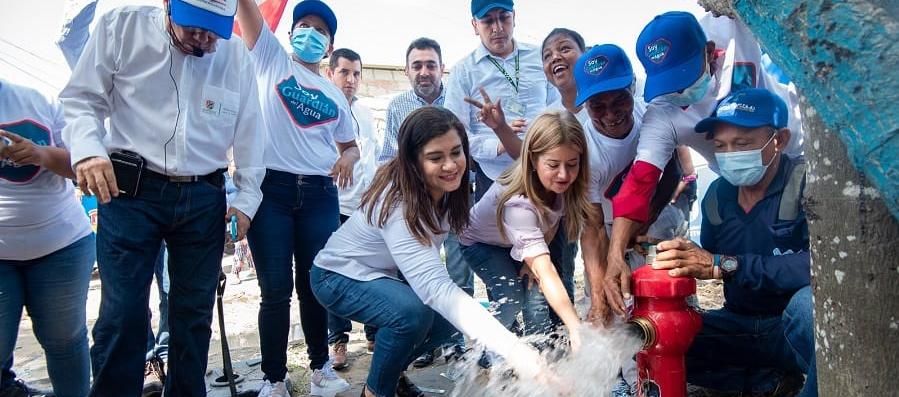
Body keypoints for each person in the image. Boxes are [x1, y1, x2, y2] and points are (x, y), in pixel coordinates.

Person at [59, 0, 265, 394]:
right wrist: (87, 150)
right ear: (169, 6)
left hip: (204, 197)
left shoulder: (235, 55)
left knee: (192, 315)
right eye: (194, 26)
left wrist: (246, 200)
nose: (204, 37)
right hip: (130, 192)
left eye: (214, 29)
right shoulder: (122, 28)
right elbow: (81, 100)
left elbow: (250, 132)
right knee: (123, 315)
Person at [311, 106, 550, 397]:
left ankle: (392, 375)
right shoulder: (398, 203)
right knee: (411, 314)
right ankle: (375, 391)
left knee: (446, 322)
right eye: (436, 158)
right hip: (335, 276)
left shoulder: (448, 192)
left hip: (380, 275)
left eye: (456, 152)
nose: (451, 165)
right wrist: (517, 352)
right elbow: (437, 288)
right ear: (413, 163)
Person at [603, 11, 803, 320]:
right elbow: (640, 182)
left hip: (794, 157)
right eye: (668, 84)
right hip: (737, 184)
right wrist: (615, 254)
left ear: (709, 52)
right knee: (746, 268)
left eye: (684, 79)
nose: (680, 94)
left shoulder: (731, 26)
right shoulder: (663, 110)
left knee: (803, 283)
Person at [651, 88, 816, 397]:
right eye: (721, 146)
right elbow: (708, 257)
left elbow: (817, 267)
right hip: (738, 325)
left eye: (742, 144)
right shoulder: (717, 197)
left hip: (790, 328)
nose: (729, 155)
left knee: (808, 307)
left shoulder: (807, 184)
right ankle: (765, 384)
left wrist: (726, 265)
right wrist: (673, 252)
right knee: (659, 336)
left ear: (778, 140)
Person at [234, 0, 358, 395]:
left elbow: (350, 145)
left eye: (320, 31)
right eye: (303, 25)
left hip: (320, 196)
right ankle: (274, 378)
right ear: (289, 35)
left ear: (329, 46)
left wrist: (348, 159)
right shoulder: (272, 59)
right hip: (271, 193)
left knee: (314, 286)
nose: (310, 33)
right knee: (274, 290)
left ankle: (321, 369)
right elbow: (248, 12)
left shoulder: (335, 95)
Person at [459, 108, 592, 346]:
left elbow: (550, 223)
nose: (564, 174)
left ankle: (540, 355)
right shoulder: (518, 204)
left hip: (514, 239)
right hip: (481, 243)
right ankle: (488, 351)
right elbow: (547, 269)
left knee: (537, 296)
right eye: (553, 164)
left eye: (572, 164)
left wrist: (533, 265)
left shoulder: (561, 185)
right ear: (532, 159)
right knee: (511, 298)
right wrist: (575, 326)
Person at [382, 37, 472, 368]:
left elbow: (466, 151)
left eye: (430, 64)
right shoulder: (397, 107)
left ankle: (454, 340)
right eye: (417, 65)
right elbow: (388, 158)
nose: (424, 71)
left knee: (458, 272)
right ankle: (424, 344)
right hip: (414, 207)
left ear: (441, 68)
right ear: (407, 71)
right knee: (416, 276)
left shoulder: (459, 101)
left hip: (454, 203)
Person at [1, 80, 93, 397]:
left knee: (65, 340)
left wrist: (40, 154)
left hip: (61, 244)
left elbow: (83, 163)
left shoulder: (36, 99)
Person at [444, 0, 558, 201]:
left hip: (544, 170)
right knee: (491, 232)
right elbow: (454, 134)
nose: (498, 28)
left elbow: (557, 111)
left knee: (550, 231)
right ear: (475, 26)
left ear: (514, 17)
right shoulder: (463, 71)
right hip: (493, 178)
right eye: (488, 21)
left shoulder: (540, 57)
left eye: (504, 18)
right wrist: (500, 144)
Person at [325, 47, 380, 370]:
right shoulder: (321, 106)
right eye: (344, 72)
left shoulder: (365, 113)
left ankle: (374, 332)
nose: (351, 80)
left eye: (356, 73)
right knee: (337, 273)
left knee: (372, 271)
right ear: (330, 73)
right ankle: (338, 341)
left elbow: (370, 157)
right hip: (332, 205)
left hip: (366, 206)